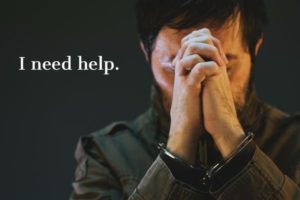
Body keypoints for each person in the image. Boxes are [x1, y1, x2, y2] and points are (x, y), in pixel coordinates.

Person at [70, 0, 300, 199]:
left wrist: (228, 133)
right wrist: (180, 142)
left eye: (224, 66)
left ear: (255, 48)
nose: (199, 83)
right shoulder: (106, 154)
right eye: (177, 67)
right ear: (146, 53)